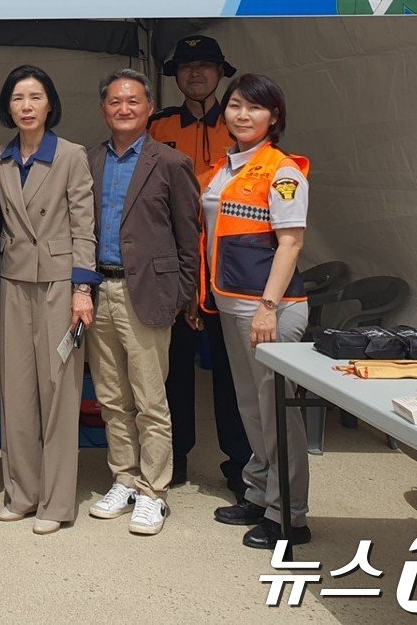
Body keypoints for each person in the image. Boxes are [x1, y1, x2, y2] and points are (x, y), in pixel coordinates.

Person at [84, 69, 200, 537]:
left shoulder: (170, 162)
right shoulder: (89, 160)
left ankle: (155, 492)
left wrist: (184, 293)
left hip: (148, 293)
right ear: (103, 108)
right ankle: (124, 479)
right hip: (99, 289)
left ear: (149, 107)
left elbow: (188, 234)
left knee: (151, 398)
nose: (124, 109)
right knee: (111, 398)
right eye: (115, 102)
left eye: (133, 101)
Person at [202, 73, 313, 549]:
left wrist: (268, 307)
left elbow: (290, 244)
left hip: (269, 310)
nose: (242, 115)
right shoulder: (225, 167)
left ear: (274, 117)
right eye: (235, 105)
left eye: (254, 108)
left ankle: (290, 516)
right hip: (231, 305)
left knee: (277, 414)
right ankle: (260, 492)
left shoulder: (281, 171)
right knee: (251, 408)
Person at [0, 65, 95, 536]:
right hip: (12, 282)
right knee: (16, 392)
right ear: (7, 107)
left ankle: (56, 501)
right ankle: (22, 493)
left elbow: (84, 226)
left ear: (50, 103)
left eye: (35, 97)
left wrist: (82, 289)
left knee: (59, 391)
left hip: (58, 284)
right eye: (18, 98)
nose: (26, 106)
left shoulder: (71, 155)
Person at [148, 34, 250, 494]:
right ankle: (177, 455)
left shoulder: (241, 126)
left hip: (228, 270)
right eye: (186, 65)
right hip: (174, 268)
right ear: (175, 75)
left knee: (233, 373)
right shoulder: (158, 126)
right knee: (174, 370)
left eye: (205, 65)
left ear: (220, 73)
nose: (195, 73)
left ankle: (241, 463)